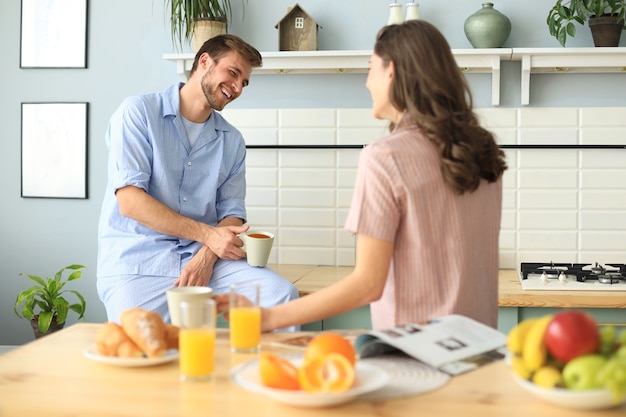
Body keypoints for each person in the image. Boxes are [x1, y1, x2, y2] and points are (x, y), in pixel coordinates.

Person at [216, 20, 507, 331]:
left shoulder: (386, 157)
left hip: (417, 360)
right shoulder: (482, 150)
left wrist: (268, 317)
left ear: (391, 70)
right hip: (481, 352)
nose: (368, 83)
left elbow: (368, 284)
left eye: (371, 68)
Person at [96, 34, 299, 327]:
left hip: (207, 261)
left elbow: (232, 214)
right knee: (139, 345)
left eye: (244, 82)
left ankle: (264, 373)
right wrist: (208, 236)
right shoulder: (138, 112)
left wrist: (206, 256)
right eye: (233, 73)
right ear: (204, 61)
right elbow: (130, 202)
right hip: (139, 262)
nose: (238, 87)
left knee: (281, 296)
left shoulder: (232, 141)